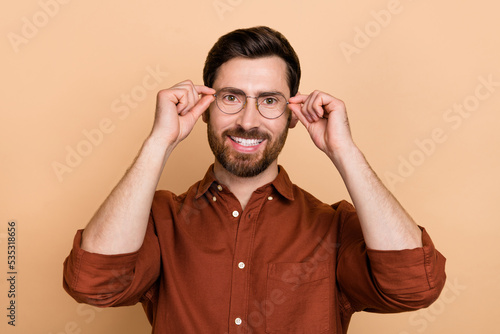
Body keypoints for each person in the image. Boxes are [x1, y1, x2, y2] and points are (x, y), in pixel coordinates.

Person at [63, 26, 446, 334]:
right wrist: (159, 141)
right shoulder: (161, 221)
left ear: (293, 113)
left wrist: (343, 150)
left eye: (268, 100)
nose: (248, 121)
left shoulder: (335, 227)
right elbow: (94, 284)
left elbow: (414, 288)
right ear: (205, 108)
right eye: (231, 97)